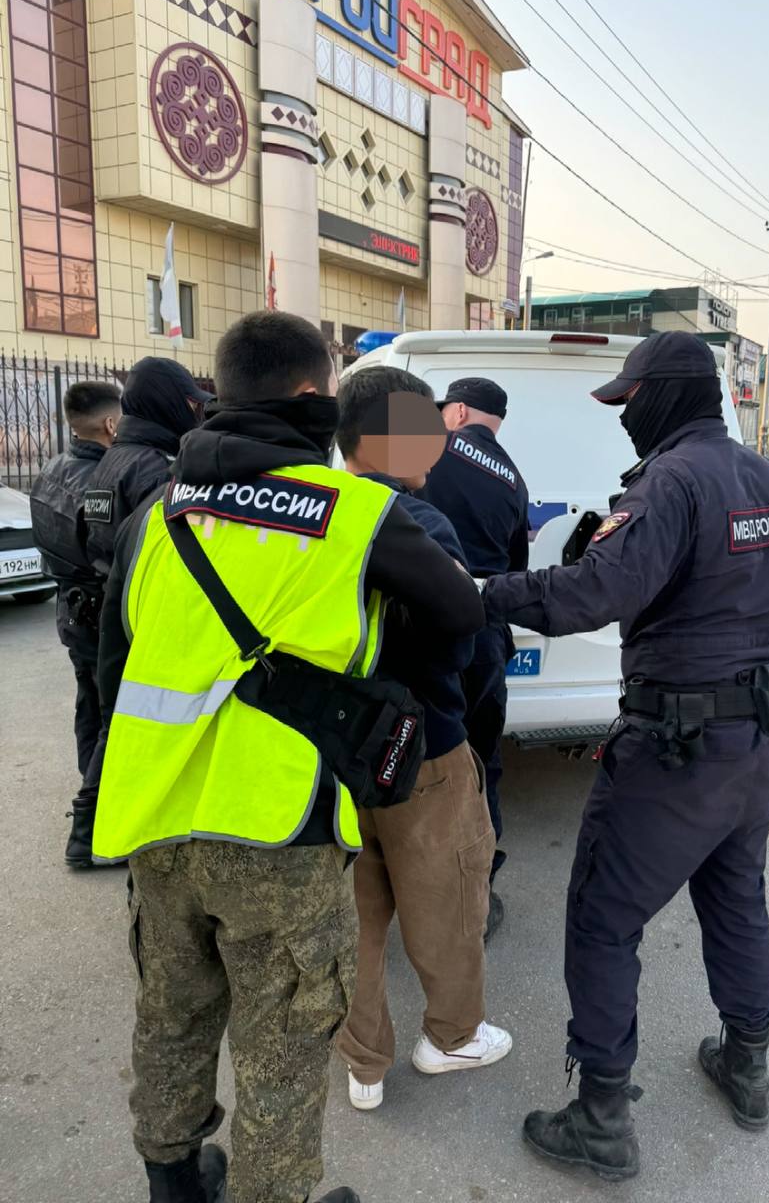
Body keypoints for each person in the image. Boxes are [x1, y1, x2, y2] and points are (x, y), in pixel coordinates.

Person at [91, 311, 485, 1203]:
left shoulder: (158, 513)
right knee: (282, 1042)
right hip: (279, 824)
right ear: (312, 393)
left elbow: (115, 670)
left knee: (172, 1014)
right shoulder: (357, 515)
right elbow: (460, 616)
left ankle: (172, 1181)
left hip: (154, 819)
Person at [481, 332, 769, 1182]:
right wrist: (740, 661)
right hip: (758, 737)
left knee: (602, 918)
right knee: (735, 895)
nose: (623, 416)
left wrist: (484, 592)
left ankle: (600, 1119)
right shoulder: (763, 476)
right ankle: (746, 1065)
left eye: (628, 400)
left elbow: (593, 592)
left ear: (665, 396)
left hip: (677, 749)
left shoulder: (669, 482)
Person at [334, 366, 512, 1114]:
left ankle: (363, 1063)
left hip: (331, 751)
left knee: (355, 912)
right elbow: (461, 648)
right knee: (448, 897)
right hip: (424, 746)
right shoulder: (420, 524)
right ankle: (451, 1037)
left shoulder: (311, 515)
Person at [64, 356, 212, 868]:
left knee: (103, 718)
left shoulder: (110, 460)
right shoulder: (152, 467)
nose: (195, 411)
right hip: (132, 616)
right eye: (189, 402)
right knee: (125, 727)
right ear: (167, 404)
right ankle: (90, 833)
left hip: (101, 609)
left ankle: (100, 823)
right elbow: (169, 545)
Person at [421, 377, 529, 939]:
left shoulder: (426, 448)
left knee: (417, 760)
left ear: (458, 411)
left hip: (421, 624)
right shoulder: (514, 478)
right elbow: (515, 569)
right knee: (481, 761)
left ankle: (412, 889)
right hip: (484, 631)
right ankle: (477, 890)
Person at [29, 381, 122, 780]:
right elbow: (110, 556)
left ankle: (88, 783)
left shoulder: (50, 469)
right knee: (110, 715)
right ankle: (94, 800)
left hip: (69, 609)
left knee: (88, 702)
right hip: (99, 613)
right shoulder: (102, 480)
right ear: (111, 424)